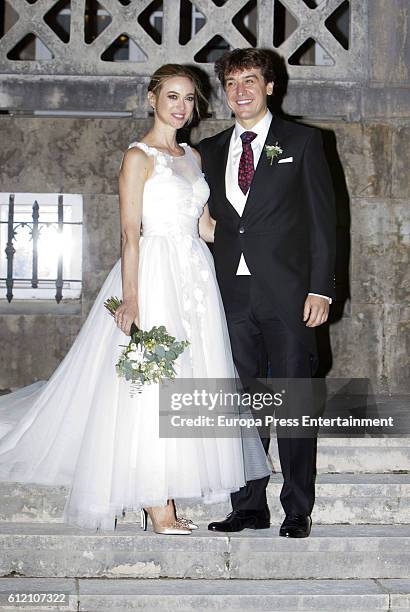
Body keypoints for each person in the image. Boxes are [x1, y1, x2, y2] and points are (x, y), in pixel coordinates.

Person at [0, 64, 270, 534]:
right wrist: (132, 299)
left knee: (188, 380)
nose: (182, 107)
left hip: (195, 278)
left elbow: (207, 227)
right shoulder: (138, 157)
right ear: (152, 98)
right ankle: (155, 502)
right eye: (172, 96)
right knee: (151, 385)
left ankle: (164, 489)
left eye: (189, 98)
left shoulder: (194, 157)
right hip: (153, 273)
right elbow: (130, 233)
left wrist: (261, 238)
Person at [198, 48, 336, 538]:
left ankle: (297, 507)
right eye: (232, 83)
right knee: (242, 401)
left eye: (250, 80)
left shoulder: (304, 141)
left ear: (270, 85)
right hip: (230, 296)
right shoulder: (209, 150)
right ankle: (249, 505)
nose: (241, 91)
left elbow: (325, 224)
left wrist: (322, 289)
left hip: (290, 295)